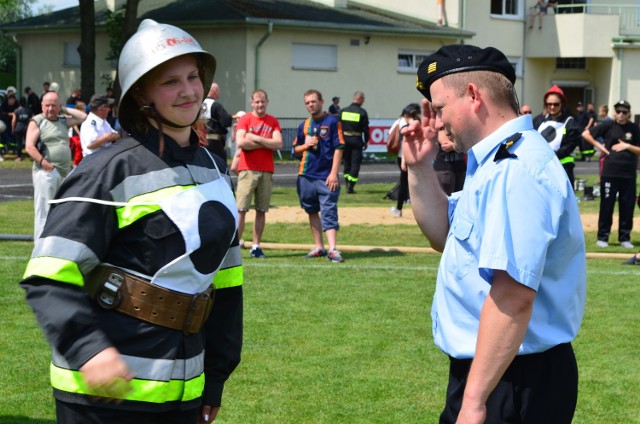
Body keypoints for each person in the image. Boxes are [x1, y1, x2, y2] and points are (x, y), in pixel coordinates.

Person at [20, 20, 243, 424]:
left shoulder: (213, 168)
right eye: (170, 81)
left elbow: (225, 281)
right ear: (140, 92)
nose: (189, 90)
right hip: (104, 396)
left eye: (193, 76)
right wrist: (90, 350)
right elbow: (49, 277)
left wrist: (216, 377)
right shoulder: (106, 170)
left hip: (185, 389)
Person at [407, 44, 586, 423]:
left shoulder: (515, 169)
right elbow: (445, 234)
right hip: (497, 373)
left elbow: (513, 295)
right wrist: (419, 169)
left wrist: (474, 401)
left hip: (512, 380)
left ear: (473, 95)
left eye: (439, 108)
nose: (437, 122)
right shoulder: (494, 163)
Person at [24, 91, 87, 239]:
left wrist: (63, 108)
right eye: (47, 105)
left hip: (64, 172)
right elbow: (29, 147)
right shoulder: (37, 121)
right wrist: (45, 164)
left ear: (59, 106)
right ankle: (40, 247)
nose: (50, 109)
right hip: (47, 172)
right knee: (43, 212)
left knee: (62, 210)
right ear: (41, 106)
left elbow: (83, 117)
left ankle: (55, 243)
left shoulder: (63, 121)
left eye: (53, 105)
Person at [293, 89, 345, 262]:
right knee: (311, 210)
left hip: (326, 176)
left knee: (329, 210)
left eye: (313, 101)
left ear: (321, 102)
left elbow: (339, 147)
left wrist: (334, 173)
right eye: (307, 103)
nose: (310, 105)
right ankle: (319, 247)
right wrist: (305, 145)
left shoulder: (332, 121)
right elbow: (295, 150)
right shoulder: (304, 125)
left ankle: (333, 249)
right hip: (306, 175)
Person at [582, 100, 640, 249]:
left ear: (629, 113)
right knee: (607, 205)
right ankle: (603, 237)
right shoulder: (609, 125)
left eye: (624, 112)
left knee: (627, 206)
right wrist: (601, 147)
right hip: (610, 172)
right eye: (618, 111)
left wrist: (627, 146)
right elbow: (586, 134)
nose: (621, 115)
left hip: (628, 174)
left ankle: (624, 237)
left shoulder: (634, 128)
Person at [234, 89, 283, 258]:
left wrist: (256, 138)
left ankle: (256, 246)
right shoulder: (245, 119)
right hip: (247, 169)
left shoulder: (273, 121)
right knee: (241, 209)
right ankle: (235, 247)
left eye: (263, 101)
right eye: (257, 102)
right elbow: (241, 141)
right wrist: (266, 143)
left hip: (266, 170)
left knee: (261, 210)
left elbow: (278, 144)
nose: (260, 105)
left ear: (267, 102)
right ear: (252, 103)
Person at [532, 84, 582, 186]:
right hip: (541, 169)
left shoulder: (570, 122)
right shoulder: (538, 120)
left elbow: (570, 145)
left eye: (556, 104)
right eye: (549, 104)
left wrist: (551, 156)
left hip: (562, 169)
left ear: (562, 104)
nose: (552, 107)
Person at [388, 103, 420, 218]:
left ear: (406, 114)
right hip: (419, 157)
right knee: (416, 183)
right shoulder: (419, 123)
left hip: (406, 157)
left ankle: (399, 208)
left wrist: (403, 161)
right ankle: (415, 206)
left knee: (404, 182)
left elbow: (406, 142)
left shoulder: (405, 124)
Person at [340, 91, 369, 193]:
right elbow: (366, 129)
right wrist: (366, 141)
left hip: (344, 139)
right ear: (360, 99)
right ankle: (351, 187)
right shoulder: (362, 112)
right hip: (356, 139)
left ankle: (347, 182)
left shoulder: (343, 111)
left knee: (347, 162)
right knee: (355, 163)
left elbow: (338, 126)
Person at [202, 82, 232, 161]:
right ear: (215, 92)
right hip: (213, 142)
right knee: (220, 165)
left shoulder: (199, 104)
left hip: (199, 141)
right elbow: (226, 121)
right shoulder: (216, 105)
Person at [434, 128, 466, 196]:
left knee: (460, 201)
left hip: (461, 168)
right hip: (444, 170)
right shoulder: (441, 128)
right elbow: (446, 146)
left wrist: (459, 144)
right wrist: (462, 144)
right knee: (445, 202)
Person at [11, 97, 33, 162]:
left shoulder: (16, 110)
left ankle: (19, 157)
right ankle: (31, 156)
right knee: (29, 143)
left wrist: (13, 128)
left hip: (18, 128)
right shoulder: (29, 110)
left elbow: (13, 121)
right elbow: (32, 119)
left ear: (19, 103)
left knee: (19, 143)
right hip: (27, 128)